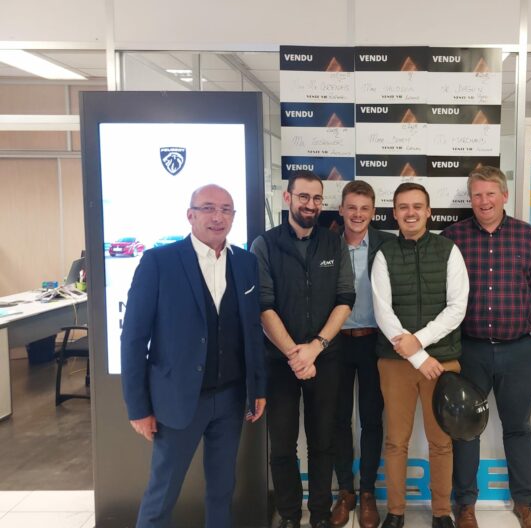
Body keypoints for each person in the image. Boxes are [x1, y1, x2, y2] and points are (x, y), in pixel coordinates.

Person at [121, 184, 266, 528]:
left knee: (222, 490)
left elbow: (251, 331)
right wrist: (138, 407)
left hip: (230, 399)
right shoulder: (159, 262)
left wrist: (257, 388)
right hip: (178, 401)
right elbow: (134, 338)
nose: (218, 217)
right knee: (162, 494)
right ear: (190, 215)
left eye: (226, 210)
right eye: (208, 208)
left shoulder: (245, 262)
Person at [442, 166, 531, 528]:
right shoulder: (453, 237)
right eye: (477, 195)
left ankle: (526, 503)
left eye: (491, 194)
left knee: (518, 427)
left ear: (504, 196)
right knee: (466, 429)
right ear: (470, 199)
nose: (484, 201)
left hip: (519, 351)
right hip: (469, 351)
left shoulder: (527, 236)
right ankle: (465, 505)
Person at [252, 170, 356, 528]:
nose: (310, 205)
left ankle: (320, 516)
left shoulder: (334, 243)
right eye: (303, 197)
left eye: (316, 198)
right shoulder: (264, 245)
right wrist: (295, 354)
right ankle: (290, 516)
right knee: (282, 446)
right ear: (288, 198)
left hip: (325, 359)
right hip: (278, 362)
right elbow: (264, 306)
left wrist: (315, 347)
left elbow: (345, 298)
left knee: (323, 442)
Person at [371, 182, 469, 528]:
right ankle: (395, 511)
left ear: (429, 212)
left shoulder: (448, 250)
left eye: (417, 206)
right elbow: (383, 313)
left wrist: (421, 343)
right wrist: (417, 357)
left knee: (441, 442)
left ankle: (441, 512)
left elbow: (457, 307)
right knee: (395, 442)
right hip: (396, 362)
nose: (410, 213)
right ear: (394, 213)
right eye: (403, 207)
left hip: (442, 362)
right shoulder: (384, 254)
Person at [331, 181, 395, 528]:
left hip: (374, 343)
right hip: (335, 343)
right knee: (338, 419)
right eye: (352, 207)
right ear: (341, 209)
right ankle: (346, 491)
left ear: (373, 212)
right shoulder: (326, 243)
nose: (357, 214)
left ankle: (367, 491)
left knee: (372, 419)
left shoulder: (387, 243)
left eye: (364, 209)